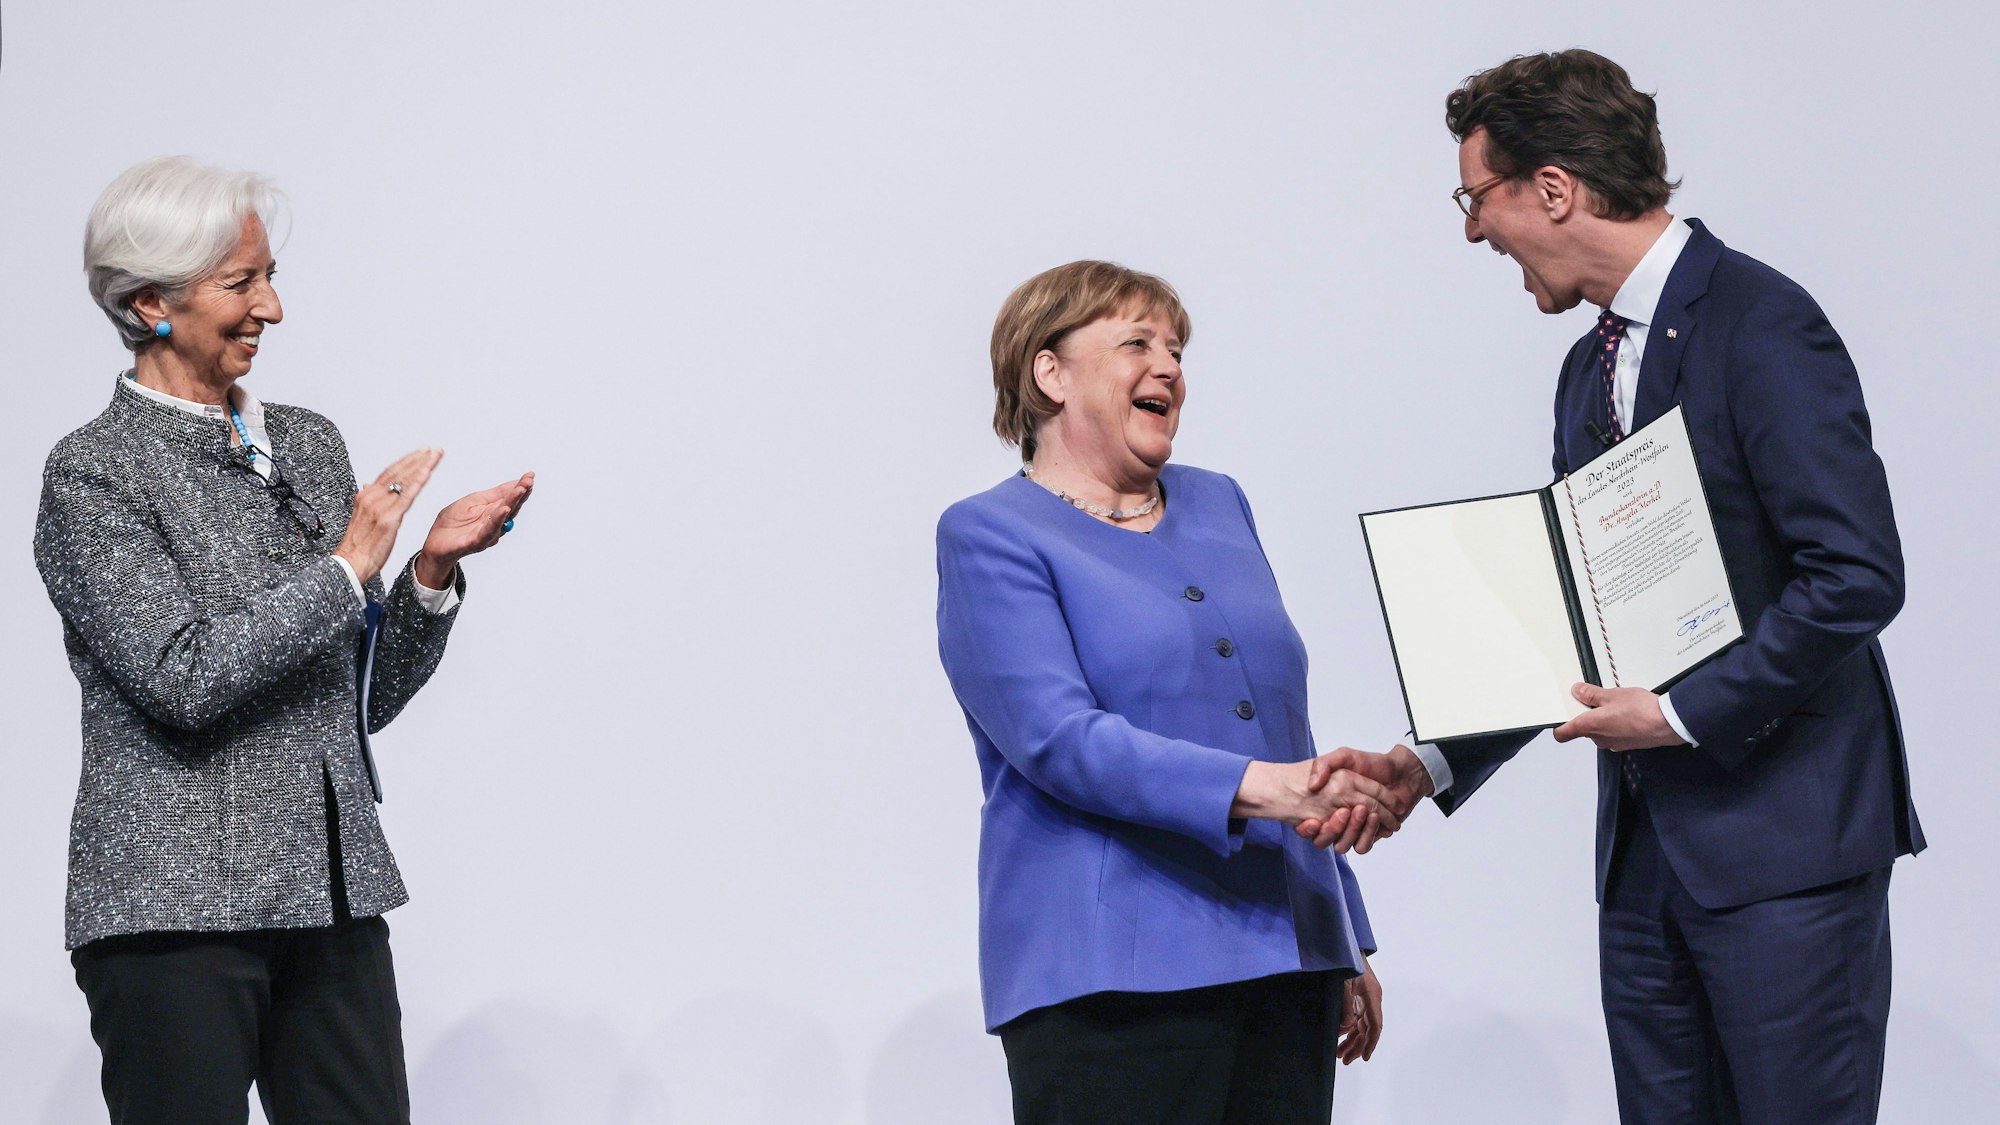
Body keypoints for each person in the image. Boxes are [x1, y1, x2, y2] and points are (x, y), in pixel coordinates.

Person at [1320, 49, 1924, 1123]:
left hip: (1785, 859)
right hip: (1646, 873)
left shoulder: (1760, 324)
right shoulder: (1583, 369)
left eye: (1475, 198)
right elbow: (1577, 611)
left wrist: (1681, 713)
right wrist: (1428, 761)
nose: (1470, 231)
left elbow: (1855, 575)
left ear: (1550, 189)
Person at [35, 155, 534, 1125]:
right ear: (149, 306)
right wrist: (345, 569)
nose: (271, 307)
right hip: (174, 916)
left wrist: (427, 571)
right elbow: (182, 675)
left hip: (332, 898)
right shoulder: (93, 475)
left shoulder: (306, 443)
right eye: (240, 283)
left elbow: (359, 703)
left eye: (269, 277)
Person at [935, 260, 1396, 1124]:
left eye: (1177, 348)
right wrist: (1267, 788)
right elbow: (1058, 740)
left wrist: (1343, 935)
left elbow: (1283, 724)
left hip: (1285, 959)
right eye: (1136, 342)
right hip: (1110, 976)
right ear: (1050, 372)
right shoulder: (988, 533)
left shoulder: (1221, 504)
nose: (1169, 367)